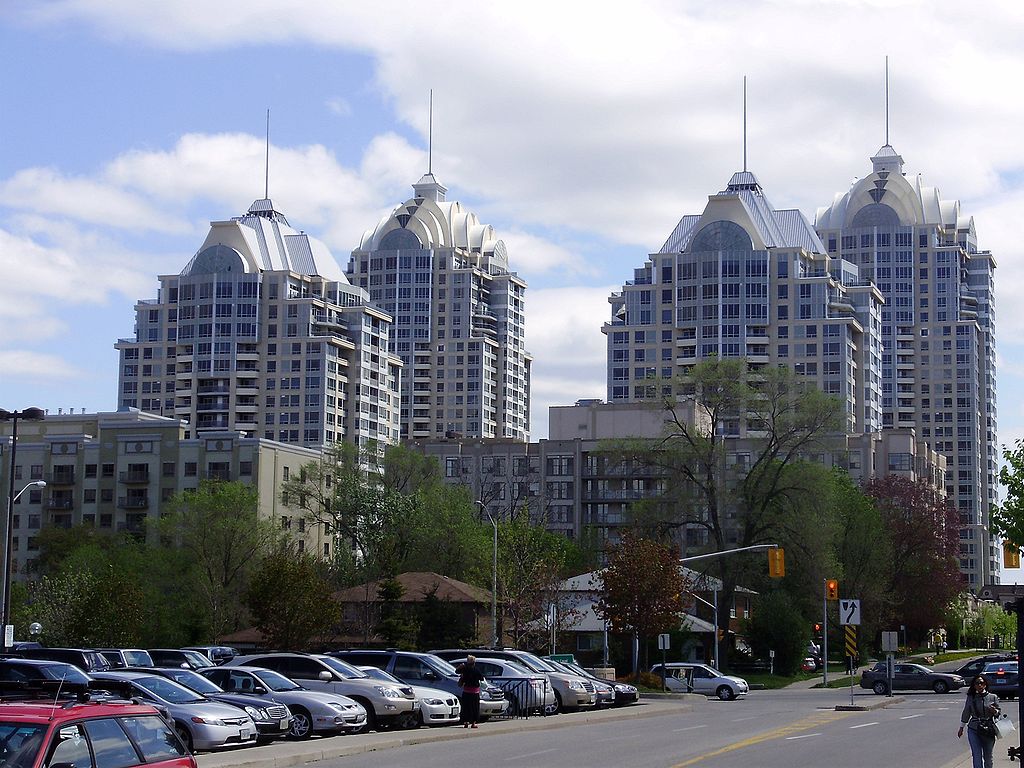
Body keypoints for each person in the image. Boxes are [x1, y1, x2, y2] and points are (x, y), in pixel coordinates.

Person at [958, 675, 1000, 768]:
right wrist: (961, 727)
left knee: (988, 757)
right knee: (976, 755)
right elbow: (966, 712)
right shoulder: (971, 697)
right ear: (974, 685)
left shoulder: (993, 697)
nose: (979, 685)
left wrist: (995, 711)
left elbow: (998, 713)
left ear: (985, 684)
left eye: (982, 683)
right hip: (974, 728)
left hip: (988, 729)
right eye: (977, 683)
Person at [456, 655, 485, 729]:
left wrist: (460, 667)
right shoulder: (476, 670)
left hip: (466, 691)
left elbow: (457, 671)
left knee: (466, 707)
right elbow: (481, 678)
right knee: (474, 708)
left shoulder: (464, 669)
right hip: (474, 692)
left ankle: (465, 722)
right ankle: (473, 723)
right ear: (474, 662)